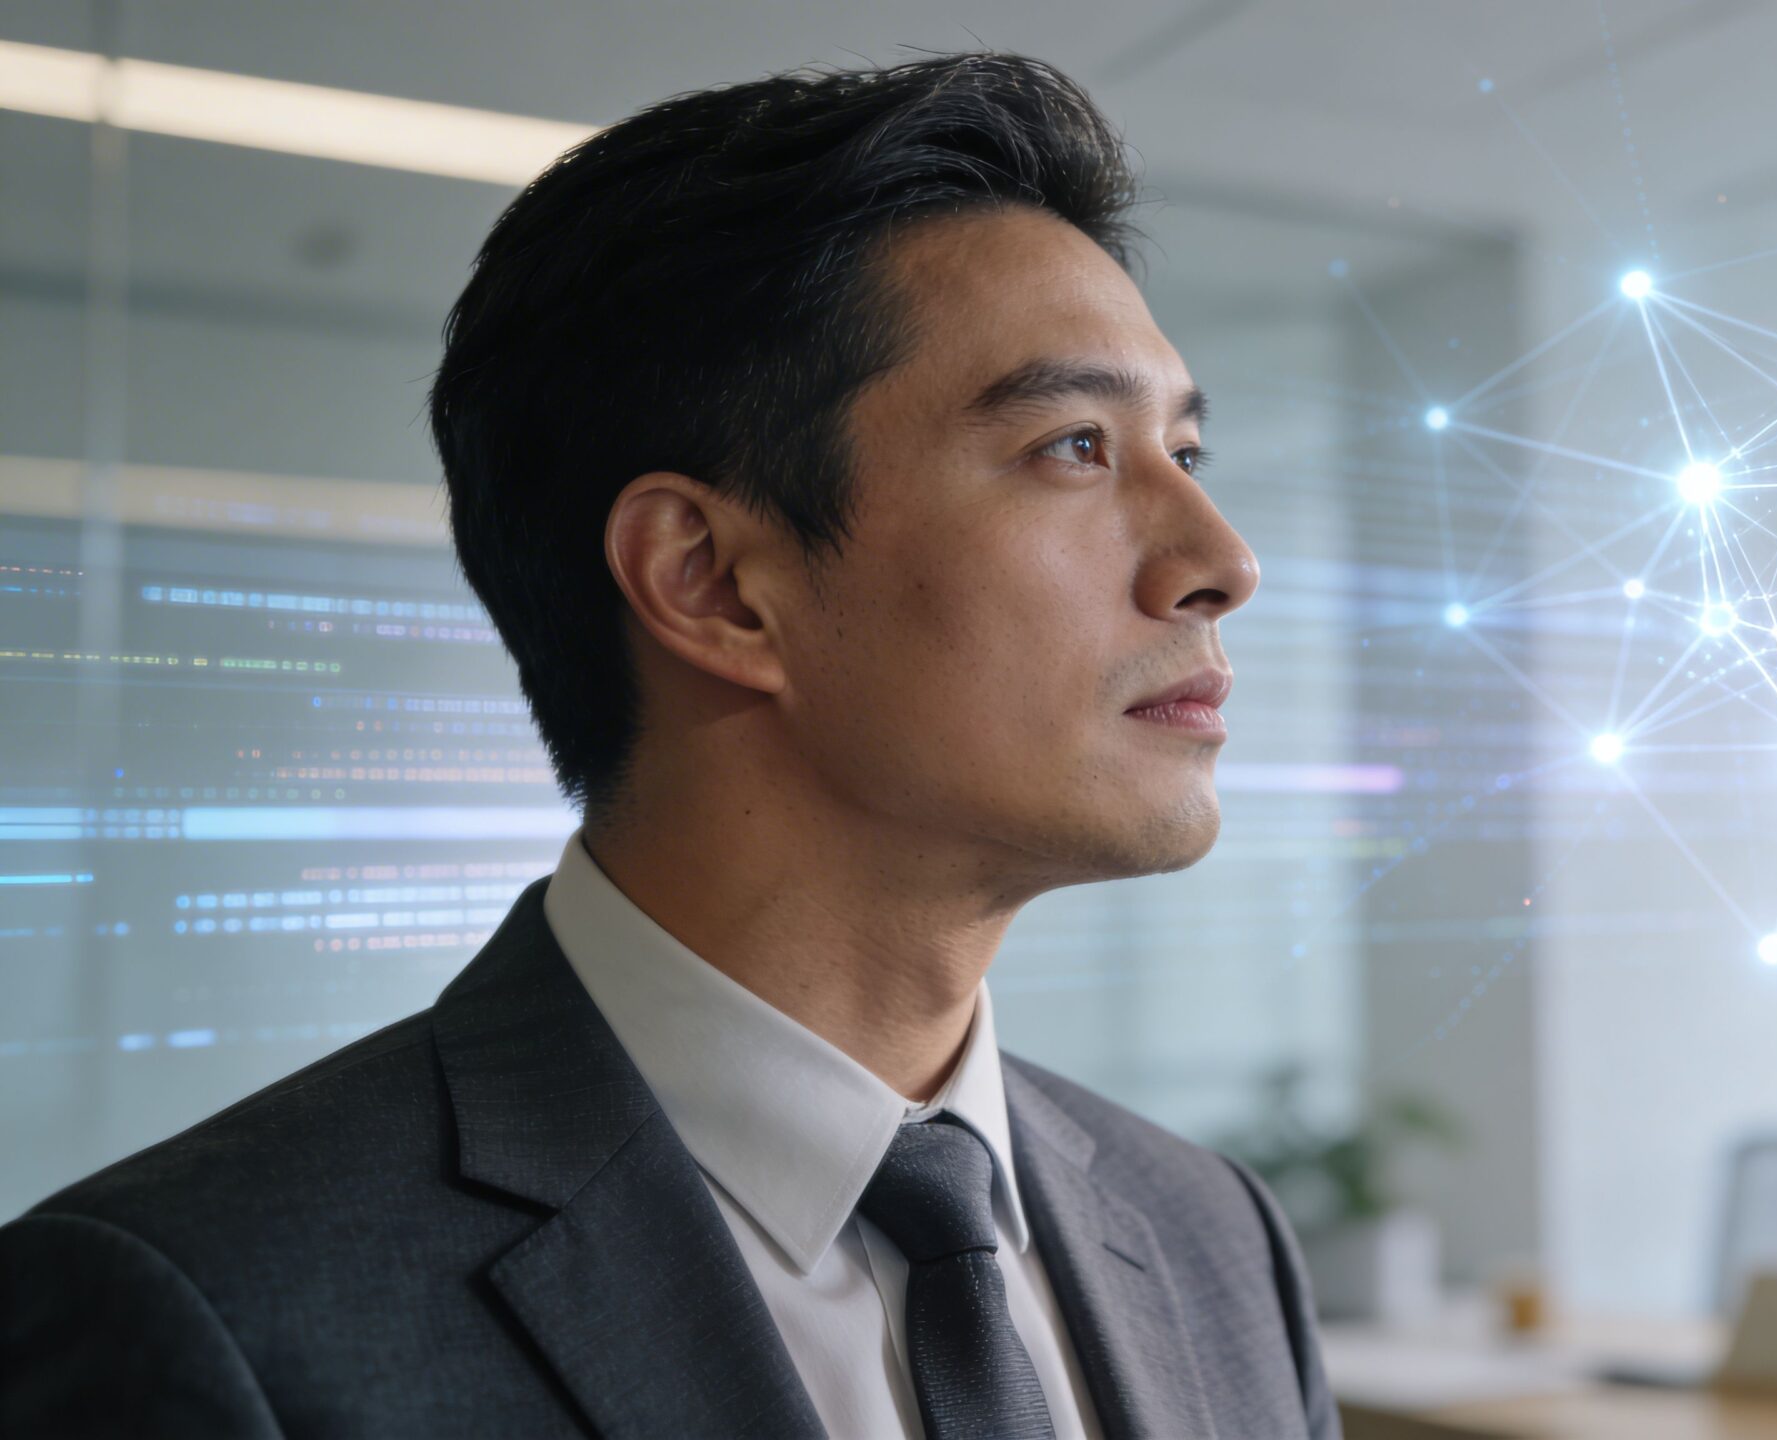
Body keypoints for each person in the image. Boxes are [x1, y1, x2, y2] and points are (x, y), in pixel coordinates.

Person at [1, 54, 1337, 1440]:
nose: (1222, 562)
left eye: (1187, 454)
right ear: (711, 582)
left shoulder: (1214, 1240)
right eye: (1073, 446)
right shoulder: (205, 1314)